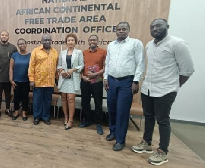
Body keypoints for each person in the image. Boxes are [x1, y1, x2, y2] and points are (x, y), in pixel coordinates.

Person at [131, 19, 194, 166]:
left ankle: (162, 151)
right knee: (148, 116)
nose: (155, 29)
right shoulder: (149, 45)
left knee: (163, 120)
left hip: (166, 90)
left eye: (158, 25)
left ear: (167, 27)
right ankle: (146, 143)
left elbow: (188, 69)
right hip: (148, 88)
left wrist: (173, 86)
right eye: (152, 26)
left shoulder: (178, 44)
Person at [103, 21, 145, 151]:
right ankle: (113, 132)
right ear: (116, 31)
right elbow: (108, 63)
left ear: (128, 30)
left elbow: (140, 63)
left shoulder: (135, 43)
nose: (121, 31)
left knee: (122, 111)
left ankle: (121, 140)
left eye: (124, 29)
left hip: (127, 82)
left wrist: (136, 81)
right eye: (119, 29)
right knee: (112, 108)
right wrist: (105, 77)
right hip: (111, 80)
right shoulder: (111, 45)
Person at [79, 35, 107, 135]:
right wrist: (83, 77)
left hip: (97, 80)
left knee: (98, 102)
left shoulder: (103, 52)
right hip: (85, 81)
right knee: (85, 101)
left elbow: (105, 67)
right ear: (88, 41)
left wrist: (95, 74)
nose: (92, 41)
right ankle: (87, 120)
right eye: (90, 40)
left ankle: (98, 123)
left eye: (94, 40)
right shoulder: (84, 53)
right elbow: (80, 67)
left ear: (98, 41)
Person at [28, 34, 58, 125]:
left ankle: (46, 117)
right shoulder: (36, 51)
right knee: (37, 100)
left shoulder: (55, 52)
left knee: (47, 101)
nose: (47, 41)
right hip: (38, 81)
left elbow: (55, 66)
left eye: (49, 40)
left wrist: (56, 78)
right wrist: (31, 80)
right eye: (45, 40)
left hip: (50, 82)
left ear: (51, 41)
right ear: (41, 41)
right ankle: (37, 117)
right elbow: (31, 66)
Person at [57, 34, 84, 130]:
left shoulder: (79, 52)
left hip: (73, 79)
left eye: (72, 40)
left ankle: (71, 120)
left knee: (71, 98)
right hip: (64, 78)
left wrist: (73, 69)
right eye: (68, 40)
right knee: (64, 98)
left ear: (75, 41)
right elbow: (58, 66)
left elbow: (81, 65)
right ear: (66, 42)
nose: (70, 42)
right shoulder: (62, 53)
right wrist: (62, 71)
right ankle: (66, 117)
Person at [9, 38, 31, 121]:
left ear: (26, 44)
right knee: (16, 97)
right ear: (18, 46)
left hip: (26, 80)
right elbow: (11, 68)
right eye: (20, 44)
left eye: (23, 43)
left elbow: (32, 69)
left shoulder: (30, 55)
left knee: (25, 97)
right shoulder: (14, 55)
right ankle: (16, 111)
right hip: (16, 80)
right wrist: (11, 80)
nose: (22, 45)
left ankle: (24, 112)